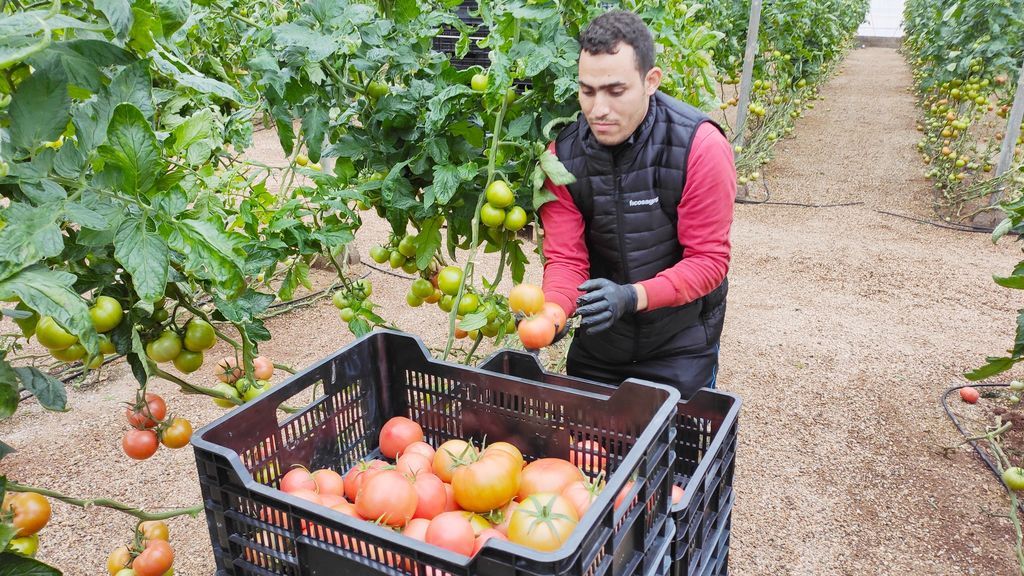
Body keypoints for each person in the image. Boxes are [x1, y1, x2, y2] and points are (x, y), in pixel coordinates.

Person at [538, 9, 735, 398]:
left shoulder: (699, 146)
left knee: (671, 456)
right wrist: (552, 314)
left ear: (650, 81)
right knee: (589, 455)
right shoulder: (561, 157)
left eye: (615, 91)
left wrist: (631, 297)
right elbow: (566, 260)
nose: (598, 110)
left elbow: (708, 260)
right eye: (588, 91)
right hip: (599, 345)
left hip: (679, 345)